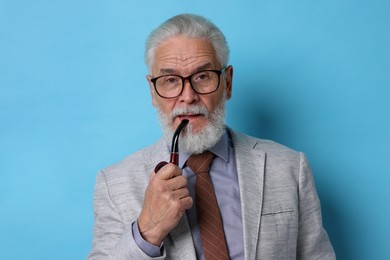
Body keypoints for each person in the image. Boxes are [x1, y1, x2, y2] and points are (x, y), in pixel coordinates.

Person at [88, 13, 335, 260]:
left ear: (227, 83)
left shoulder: (290, 167)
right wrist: (148, 231)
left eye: (202, 77)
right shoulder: (114, 184)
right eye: (171, 80)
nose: (188, 96)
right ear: (153, 92)